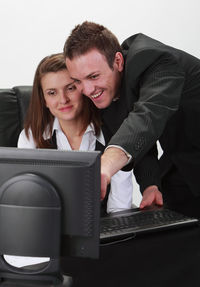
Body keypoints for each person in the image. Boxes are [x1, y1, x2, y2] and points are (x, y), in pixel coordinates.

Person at [63, 21, 200, 218]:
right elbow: (138, 142)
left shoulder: (155, 60)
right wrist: (150, 185)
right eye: (78, 81)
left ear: (118, 61)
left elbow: (147, 118)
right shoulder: (106, 93)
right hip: (183, 163)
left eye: (93, 76)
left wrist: (104, 166)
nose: (87, 90)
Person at [18, 53, 134, 214]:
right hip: (51, 228)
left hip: (104, 228)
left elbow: (120, 206)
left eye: (70, 88)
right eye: (52, 93)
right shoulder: (31, 137)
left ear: (83, 88)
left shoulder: (115, 132)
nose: (63, 99)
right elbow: (29, 201)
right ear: (43, 99)